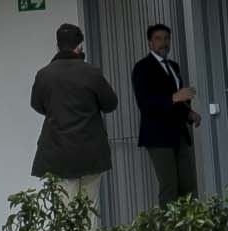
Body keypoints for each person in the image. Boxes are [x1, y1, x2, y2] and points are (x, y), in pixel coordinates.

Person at [27, 21, 116, 203]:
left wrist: (56, 111)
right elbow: (110, 104)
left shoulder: (44, 74)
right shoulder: (92, 72)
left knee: (65, 211)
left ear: (58, 45)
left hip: (58, 152)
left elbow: (36, 104)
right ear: (79, 46)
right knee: (88, 210)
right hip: (90, 151)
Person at [130, 21, 198, 204]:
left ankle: (189, 229)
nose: (163, 43)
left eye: (167, 39)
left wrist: (189, 113)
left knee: (188, 184)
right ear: (150, 43)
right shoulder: (142, 67)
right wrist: (174, 97)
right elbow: (144, 103)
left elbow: (178, 101)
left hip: (179, 133)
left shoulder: (173, 66)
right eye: (158, 39)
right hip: (158, 135)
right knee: (169, 186)